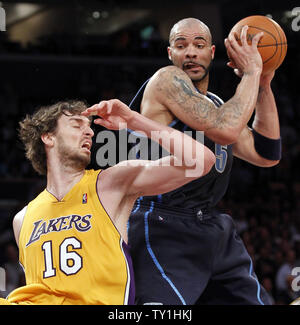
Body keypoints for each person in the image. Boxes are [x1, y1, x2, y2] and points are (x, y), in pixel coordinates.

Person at [0, 99, 215, 305]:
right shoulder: (23, 219)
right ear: (48, 137)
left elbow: (201, 161)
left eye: (89, 127)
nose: (89, 131)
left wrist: (132, 120)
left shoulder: (110, 184)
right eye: (76, 125)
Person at [127, 18, 281, 305]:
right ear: (170, 54)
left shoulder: (217, 104)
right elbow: (226, 129)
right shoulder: (165, 81)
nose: (190, 53)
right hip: (163, 222)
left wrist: (262, 84)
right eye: (181, 45)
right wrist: (250, 73)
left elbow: (266, 153)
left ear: (212, 53)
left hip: (211, 224)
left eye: (199, 45)